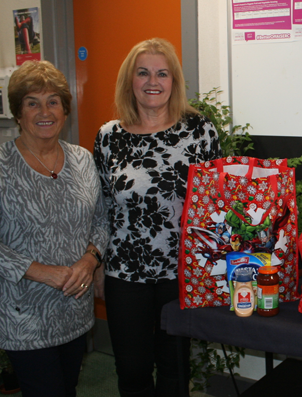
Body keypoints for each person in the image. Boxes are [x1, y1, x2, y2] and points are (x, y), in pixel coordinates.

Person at [0, 60, 108, 396]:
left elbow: (101, 221)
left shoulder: (82, 160)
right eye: (33, 102)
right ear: (18, 113)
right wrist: (45, 273)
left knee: (68, 388)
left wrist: (90, 260)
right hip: (22, 313)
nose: (45, 111)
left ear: (64, 110)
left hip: (73, 309)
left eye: (53, 101)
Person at [93, 38, 221, 396]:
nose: (153, 81)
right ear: (129, 81)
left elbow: (215, 205)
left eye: (162, 73)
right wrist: (98, 266)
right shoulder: (108, 138)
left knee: (175, 369)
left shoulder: (200, 132)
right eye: (143, 72)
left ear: (174, 81)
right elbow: (101, 207)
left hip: (181, 273)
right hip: (124, 273)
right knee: (131, 369)